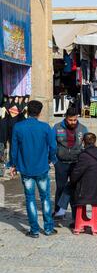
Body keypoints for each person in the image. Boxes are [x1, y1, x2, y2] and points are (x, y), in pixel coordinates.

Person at [9, 100, 57, 238]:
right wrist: (51, 159)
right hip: (42, 167)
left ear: (27, 111)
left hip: (25, 168)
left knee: (30, 198)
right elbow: (53, 147)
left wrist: (13, 164)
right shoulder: (45, 127)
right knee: (45, 198)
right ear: (40, 112)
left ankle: (34, 230)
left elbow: (14, 148)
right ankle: (48, 228)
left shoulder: (18, 127)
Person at [53, 108, 88, 221]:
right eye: (70, 120)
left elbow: (87, 146)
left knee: (75, 190)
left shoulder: (83, 129)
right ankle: (58, 212)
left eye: (74, 120)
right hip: (61, 163)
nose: (73, 122)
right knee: (61, 188)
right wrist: (54, 160)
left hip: (76, 164)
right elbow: (51, 145)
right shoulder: (57, 127)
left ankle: (75, 215)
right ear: (66, 118)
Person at [70, 133, 97, 231]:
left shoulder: (84, 155)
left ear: (83, 142)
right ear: (95, 141)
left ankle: (61, 211)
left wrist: (72, 181)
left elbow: (76, 173)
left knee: (69, 188)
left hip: (87, 192)